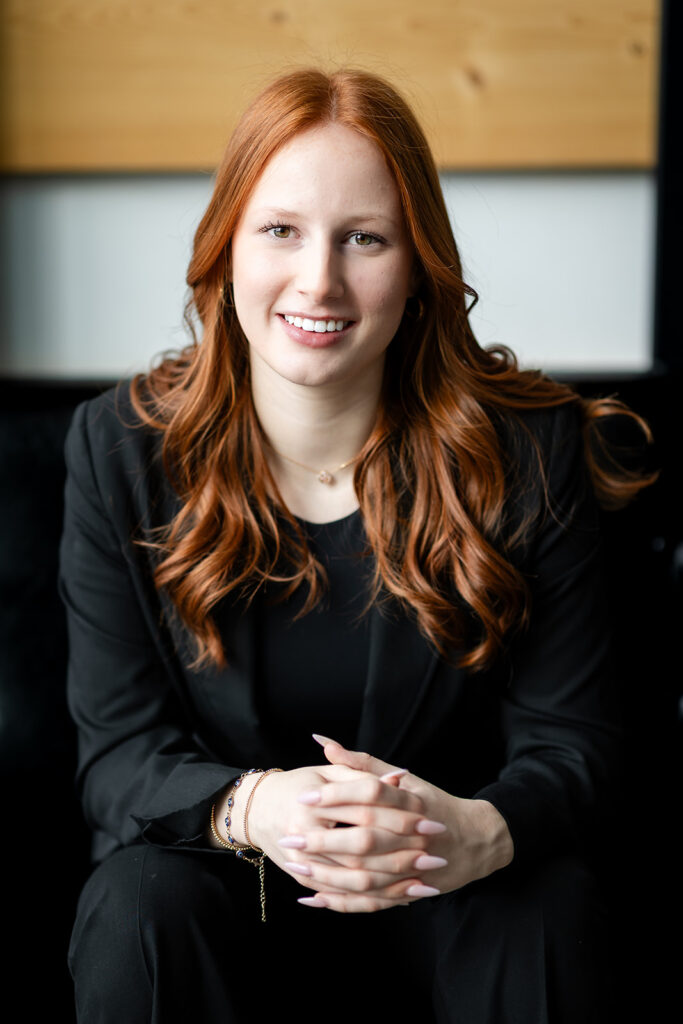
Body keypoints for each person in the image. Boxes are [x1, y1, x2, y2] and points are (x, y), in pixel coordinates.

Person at [61, 68, 653, 1023]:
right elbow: (118, 756)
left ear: (415, 264)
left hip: (448, 886)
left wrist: (478, 830)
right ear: (224, 250)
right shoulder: (119, 451)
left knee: (548, 905)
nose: (319, 280)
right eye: (281, 231)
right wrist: (257, 809)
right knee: (136, 900)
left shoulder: (527, 453)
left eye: (364, 238)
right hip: (225, 890)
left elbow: (574, 742)